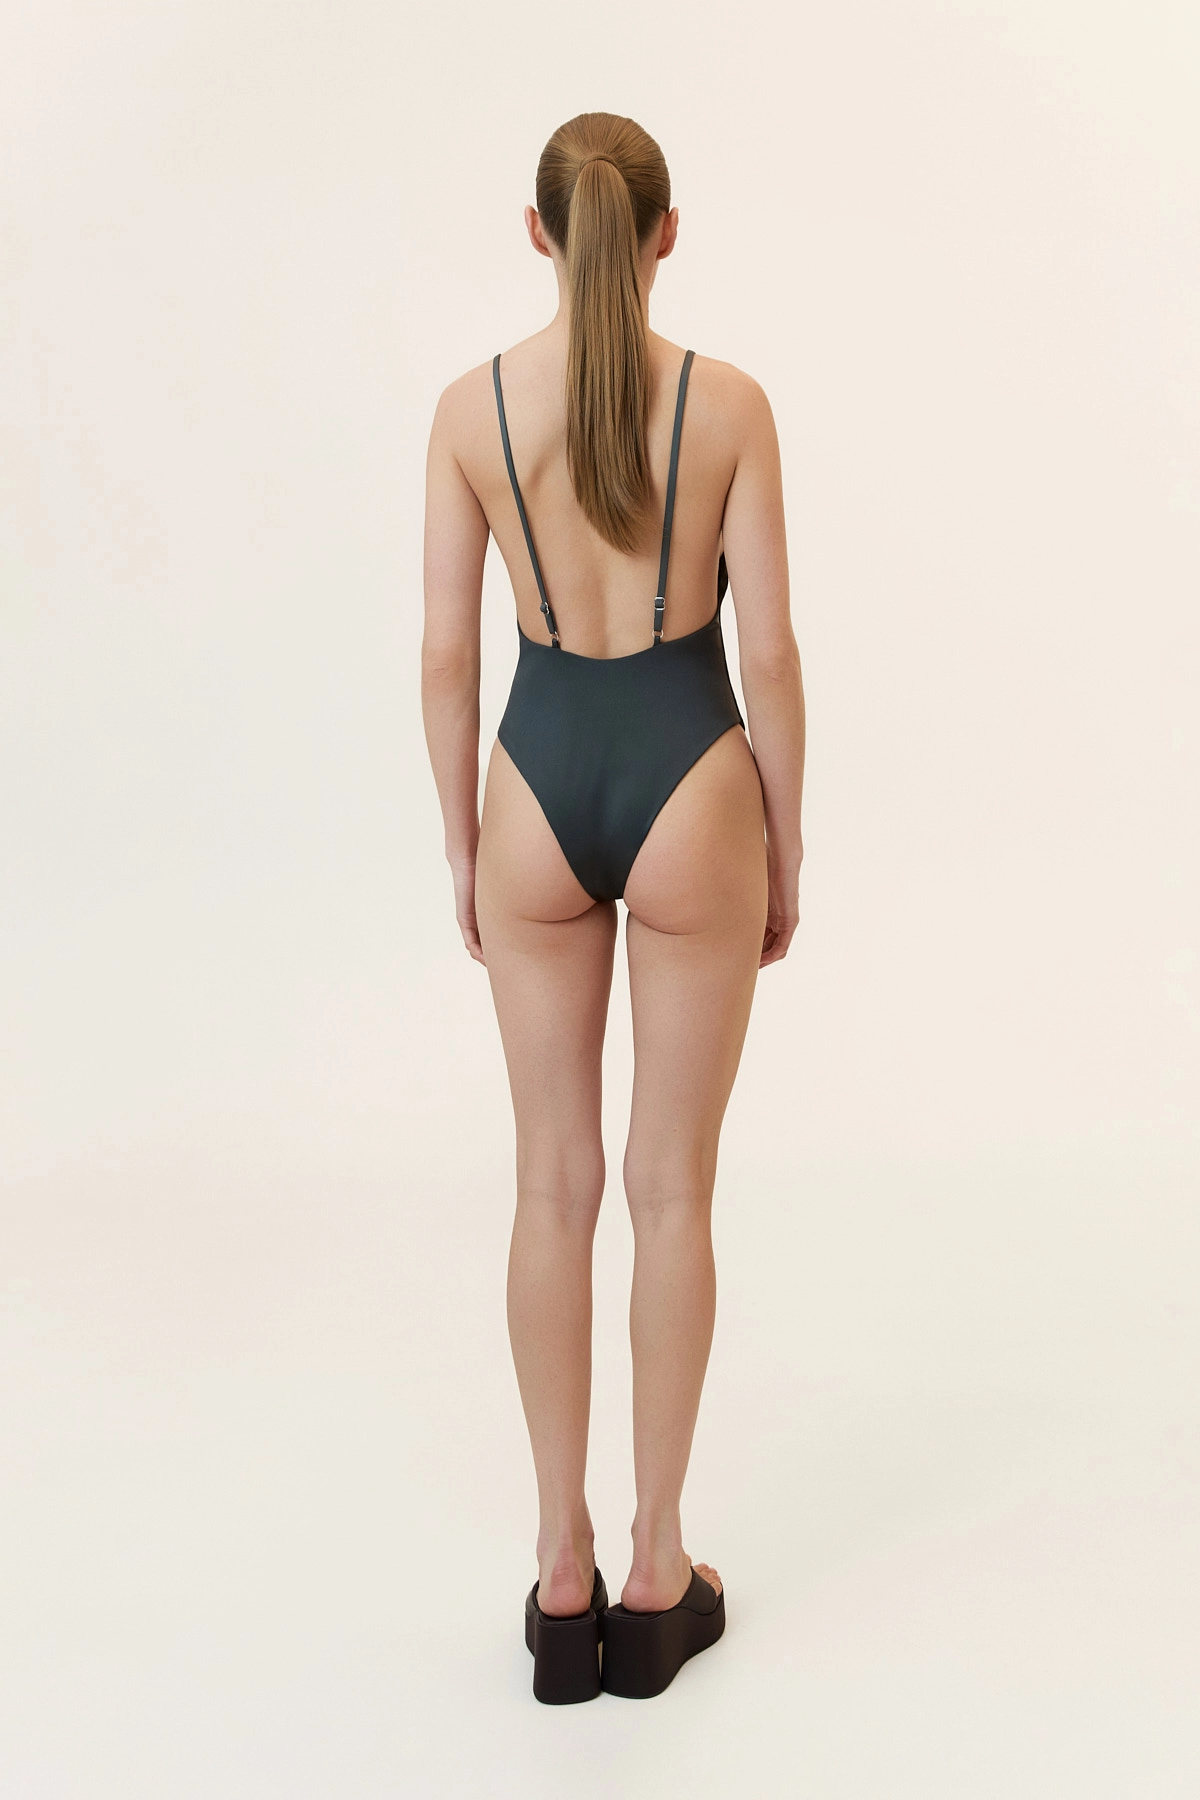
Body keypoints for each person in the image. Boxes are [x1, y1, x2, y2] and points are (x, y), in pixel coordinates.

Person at [421, 111, 805, 1703]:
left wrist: (466, 847)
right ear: (663, 234)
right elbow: (767, 653)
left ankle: (560, 1566)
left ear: (537, 233)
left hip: (534, 782)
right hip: (693, 778)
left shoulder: (469, 412)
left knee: (550, 1189)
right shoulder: (731, 405)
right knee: (669, 1193)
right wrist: (787, 843)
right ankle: (656, 1573)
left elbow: (448, 657)